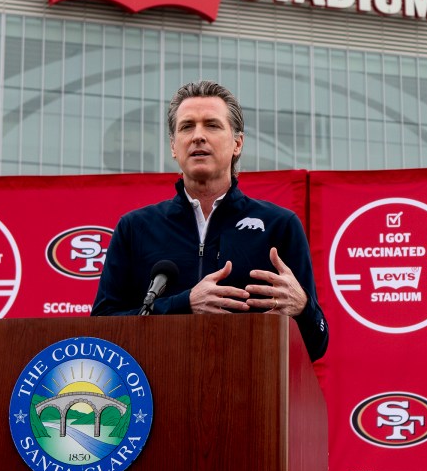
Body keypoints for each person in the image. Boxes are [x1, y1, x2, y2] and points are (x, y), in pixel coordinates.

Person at [91, 80, 328, 361]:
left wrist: (303, 308)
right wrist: (184, 304)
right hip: (157, 396)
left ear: (237, 143)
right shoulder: (135, 227)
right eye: (187, 126)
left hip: (251, 396)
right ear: (173, 147)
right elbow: (102, 330)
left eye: (212, 125)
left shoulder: (279, 225)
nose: (198, 136)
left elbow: (317, 345)